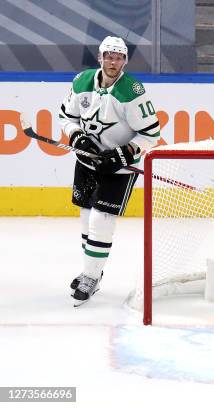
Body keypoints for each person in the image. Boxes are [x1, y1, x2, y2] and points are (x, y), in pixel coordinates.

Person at [59, 36, 161, 306]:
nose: (113, 62)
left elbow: (151, 136)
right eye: (108, 56)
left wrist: (123, 153)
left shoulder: (132, 91)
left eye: (118, 57)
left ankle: (91, 277)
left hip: (119, 169)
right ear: (100, 57)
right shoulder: (82, 81)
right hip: (86, 162)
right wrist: (76, 136)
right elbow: (65, 117)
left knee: (101, 222)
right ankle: (90, 271)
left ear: (125, 61)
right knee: (85, 218)